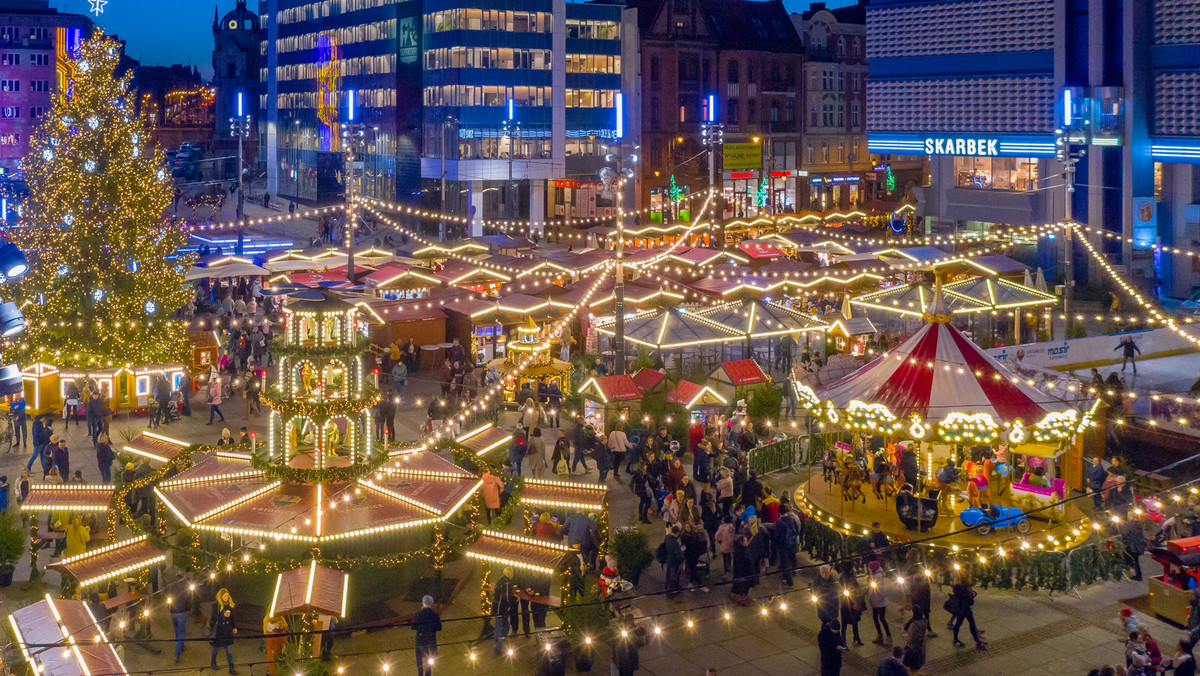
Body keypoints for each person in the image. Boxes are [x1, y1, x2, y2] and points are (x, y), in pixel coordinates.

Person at [948, 574, 985, 650]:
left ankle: (955, 639)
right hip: (966, 609)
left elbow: (957, 595)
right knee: (970, 624)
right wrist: (972, 596)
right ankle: (977, 641)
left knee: (958, 624)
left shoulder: (958, 587)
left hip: (960, 608)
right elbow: (970, 601)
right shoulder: (965, 588)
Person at [208, 588, 237, 674]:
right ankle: (213, 662)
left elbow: (233, 618)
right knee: (215, 649)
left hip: (228, 631)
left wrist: (234, 627)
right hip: (219, 631)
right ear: (220, 596)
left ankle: (231, 668)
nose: (226, 598)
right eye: (224, 596)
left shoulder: (230, 605)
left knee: (229, 650)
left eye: (227, 596)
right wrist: (223, 616)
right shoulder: (215, 605)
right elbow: (213, 618)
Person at [412, 595, 442, 676]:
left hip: (420, 641)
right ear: (431, 604)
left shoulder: (418, 615)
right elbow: (439, 627)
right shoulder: (435, 615)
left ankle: (420, 674)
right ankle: (428, 673)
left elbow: (413, 627)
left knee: (419, 659)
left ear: (423, 603)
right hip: (431, 640)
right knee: (429, 659)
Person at [491, 567, 518, 656]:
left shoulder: (500, 578)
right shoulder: (507, 582)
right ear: (509, 574)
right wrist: (515, 598)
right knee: (503, 627)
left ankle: (498, 644)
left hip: (498, 608)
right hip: (501, 609)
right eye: (512, 573)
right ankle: (498, 647)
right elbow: (507, 597)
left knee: (503, 626)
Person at [169, 573, 192, 663]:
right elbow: (189, 599)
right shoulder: (186, 587)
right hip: (182, 612)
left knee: (176, 630)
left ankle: (181, 647)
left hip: (173, 612)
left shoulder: (172, 587)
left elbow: (168, 599)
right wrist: (188, 608)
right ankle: (177, 653)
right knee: (181, 632)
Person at [867, 561, 891, 645]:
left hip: (879, 602)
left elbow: (882, 590)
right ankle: (880, 635)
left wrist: (878, 599)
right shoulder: (873, 576)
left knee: (881, 618)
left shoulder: (878, 578)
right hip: (875, 603)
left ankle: (888, 635)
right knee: (876, 618)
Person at [840, 563, 865, 646]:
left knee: (855, 622)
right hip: (846, 604)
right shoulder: (843, 577)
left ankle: (856, 637)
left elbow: (856, 585)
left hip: (854, 601)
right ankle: (843, 640)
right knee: (844, 623)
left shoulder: (852, 575)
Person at [659, 525, 685, 598]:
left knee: (668, 575)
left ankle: (667, 587)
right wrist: (683, 557)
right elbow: (678, 555)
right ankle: (671, 593)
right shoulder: (675, 543)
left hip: (668, 560)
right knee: (673, 577)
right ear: (677, 533)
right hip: (674, 562)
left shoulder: (667, 538)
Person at [1122, 509, 1147, 581]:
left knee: (1132, 558)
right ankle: (1136, 572)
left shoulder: (1130, 524)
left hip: (1133, 546)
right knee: (1136, 560)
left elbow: (1126, 534)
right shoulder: (1139, 523)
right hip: (1139, 545)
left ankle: (1137, 574)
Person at [902, 604, 927, 673]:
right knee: (917, 667)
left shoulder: (914, 625)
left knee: (911, 667)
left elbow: (913, 638)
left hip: (913, 649)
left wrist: (908, 645)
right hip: (921, 647)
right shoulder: (923, 621)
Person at [263, 611, 288, 676]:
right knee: (274, 667)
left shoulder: (275, 630)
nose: (278, 625)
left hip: (275, 651)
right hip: (274, 652)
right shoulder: (274, 632)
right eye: (278, 623)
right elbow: (280, 640)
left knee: (274, 666)